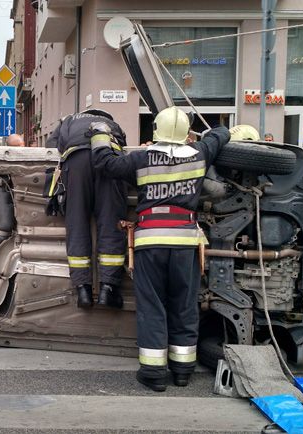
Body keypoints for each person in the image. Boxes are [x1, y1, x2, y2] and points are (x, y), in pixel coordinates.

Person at [91, 106, 230, 392]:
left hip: (150, 241)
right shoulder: (200, 153)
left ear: (156, 130)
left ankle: (154, 374)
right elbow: (222, 133)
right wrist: (203, 134)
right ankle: (182, 371)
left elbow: (105, 163)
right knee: (184, 304)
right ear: (185, 134)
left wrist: (100, 135)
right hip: (185, 243)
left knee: (152, 306)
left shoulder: (141, 159)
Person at [46, 109, 127, 309]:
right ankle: (108, 289)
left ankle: (83, 290)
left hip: (76, 162)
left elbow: (51, 146)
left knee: (77, 224)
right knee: (111, 223)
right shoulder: (112, 123)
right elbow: (123, 145)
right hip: (109, 160)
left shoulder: (69, 121)